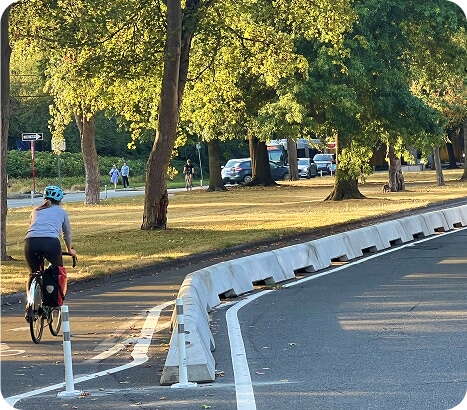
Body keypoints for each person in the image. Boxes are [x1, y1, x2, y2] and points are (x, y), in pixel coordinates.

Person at [24, 186, 76, 293]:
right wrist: (69, 249)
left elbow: (32, 227)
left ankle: (29, 305)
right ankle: (56, 305)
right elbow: (67, 234)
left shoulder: (35, 211)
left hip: (30, 242)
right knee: (58, 272)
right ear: (60, 200)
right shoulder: (62, 212)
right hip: (50, 242)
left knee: (33, 273)